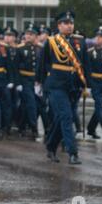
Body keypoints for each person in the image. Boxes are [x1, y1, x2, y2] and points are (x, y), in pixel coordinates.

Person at [37, 11, 90, 165]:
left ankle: (51, 146)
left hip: (74, 86)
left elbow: (86, 65)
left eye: (71, 23)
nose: (69, 26)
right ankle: (73, 153)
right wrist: (39, 83)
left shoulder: (80, 42)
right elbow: (42, 64)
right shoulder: (52, 41)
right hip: (56, 86)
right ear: (59, 25)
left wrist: (88, 84)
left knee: (62, 118)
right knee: (67, 116)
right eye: (65, 23)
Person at [87, 27, 102, 139]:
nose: (98, 38)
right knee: (100, 105)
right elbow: (87, 69)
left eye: (101, 36)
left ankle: (91, 129)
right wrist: (87, 85)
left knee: (99, 107)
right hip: (95, 83)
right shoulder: (91, 52)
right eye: (97, 36)